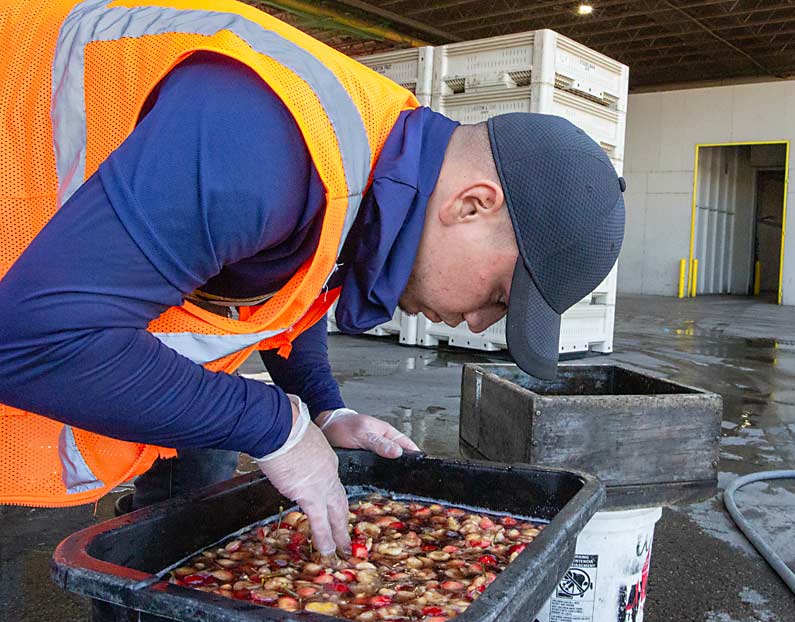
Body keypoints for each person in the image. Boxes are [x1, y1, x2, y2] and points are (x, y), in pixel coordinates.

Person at [0, 0, 625, 558]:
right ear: (471, 205)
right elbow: (34, 340)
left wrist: (324, 410)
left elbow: (288, 288)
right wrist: (277, 427)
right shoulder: (261, 142)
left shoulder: (380, 153)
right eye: (498, 296)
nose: (482, 323)